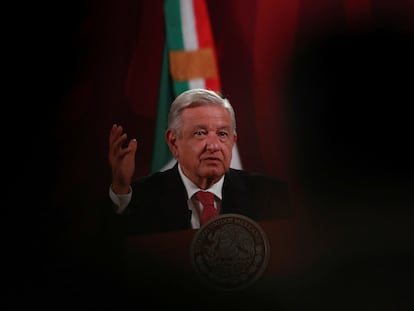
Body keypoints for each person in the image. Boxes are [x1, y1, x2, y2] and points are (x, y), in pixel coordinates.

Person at [108, 88, 291, 235]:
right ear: (174, 142)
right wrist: (121, 188)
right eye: (200, 133)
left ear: (233, 141)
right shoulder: (140, 198)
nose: (213, 146)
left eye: (222, 134)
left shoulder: (269, 195)